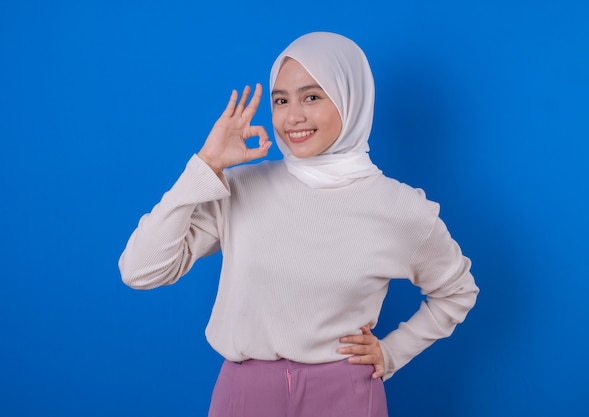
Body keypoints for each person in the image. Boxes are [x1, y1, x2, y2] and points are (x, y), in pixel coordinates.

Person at [119, 31, 479, 417]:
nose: (293, 117)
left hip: (347, 397)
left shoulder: (400, 208)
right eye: (281, 100)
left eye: (312, 97)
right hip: (244, 397)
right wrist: (205, 167)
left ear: (349, 98)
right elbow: (140, 271)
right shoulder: (240, 187)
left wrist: (391, 353)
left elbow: (457, 291)